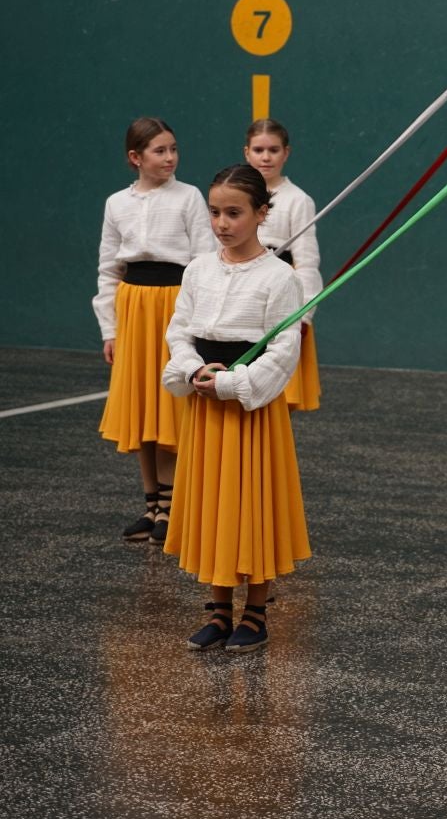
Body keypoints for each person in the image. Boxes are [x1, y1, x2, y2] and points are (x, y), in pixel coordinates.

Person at [162, 164, 310, 653]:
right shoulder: (198, 270)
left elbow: (283, 352)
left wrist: (231, 383)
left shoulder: (279, 278)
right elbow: (180, 330)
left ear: (262, 214)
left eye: (234, 213)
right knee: (216, 504)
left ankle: (256, 612)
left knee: (253, 504)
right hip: (206, 411)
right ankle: (218, 609)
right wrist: (190, 370)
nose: (222, 223)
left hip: (249, 412)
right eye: (215, 212)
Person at [94, 117, 214, 543]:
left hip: (173, 304)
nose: (170, 157)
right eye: (160, 151)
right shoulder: (116, 204)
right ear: (135, 158)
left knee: (169, 406)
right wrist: (110, 328)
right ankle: (152, 506)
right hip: (134, 308)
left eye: (173, 149)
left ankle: (172, 506)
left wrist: (198, 321)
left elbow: (204, 260)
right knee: (141, 408)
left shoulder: (189, 197)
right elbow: (109, 269)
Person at [245, 117, 323, 411]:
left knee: (278, 395)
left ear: (286, 153)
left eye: (273, 150)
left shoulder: (298, 200)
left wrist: (304, 315)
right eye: (259, 149)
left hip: (282, 300)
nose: (266, 157)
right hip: (245, 295)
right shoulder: (237, 194)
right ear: (246, 152)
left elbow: (307, 261)